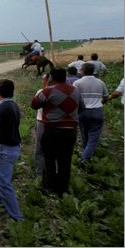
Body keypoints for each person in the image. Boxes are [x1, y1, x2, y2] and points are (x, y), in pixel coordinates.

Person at [31, 68, 84, 197]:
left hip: (52, 130)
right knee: (65, 160)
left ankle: (50, 186)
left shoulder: (48, 91)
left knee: (49, 159)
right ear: (65, 77)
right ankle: (62, 189)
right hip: (70, 132)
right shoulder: (76, 90)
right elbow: (82, 107)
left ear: (51, 78)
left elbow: (34, 104)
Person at [0, 79, 24, 221]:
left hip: (6, 150)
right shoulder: (12, 104)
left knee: (3, 183)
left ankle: (17, 217)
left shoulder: (0, 108)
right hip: (4, 147)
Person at [73, 63, 109, 164]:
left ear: (83, 71)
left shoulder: (77, 83)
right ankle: (85, 158)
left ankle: (85, 154)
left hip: (82, 112)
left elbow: (73, 98)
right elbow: (106, 97)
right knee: (93, 137)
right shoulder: (100, 82)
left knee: (84, 134)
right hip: (97, 111)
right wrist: (100, 102)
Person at [33, 73, 49, 178]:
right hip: (55, 124)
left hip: (42, 122)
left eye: (43, 79)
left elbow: (34, 105)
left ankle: (39, 174)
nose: (42, 81)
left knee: (39, 149)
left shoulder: (41, 92)